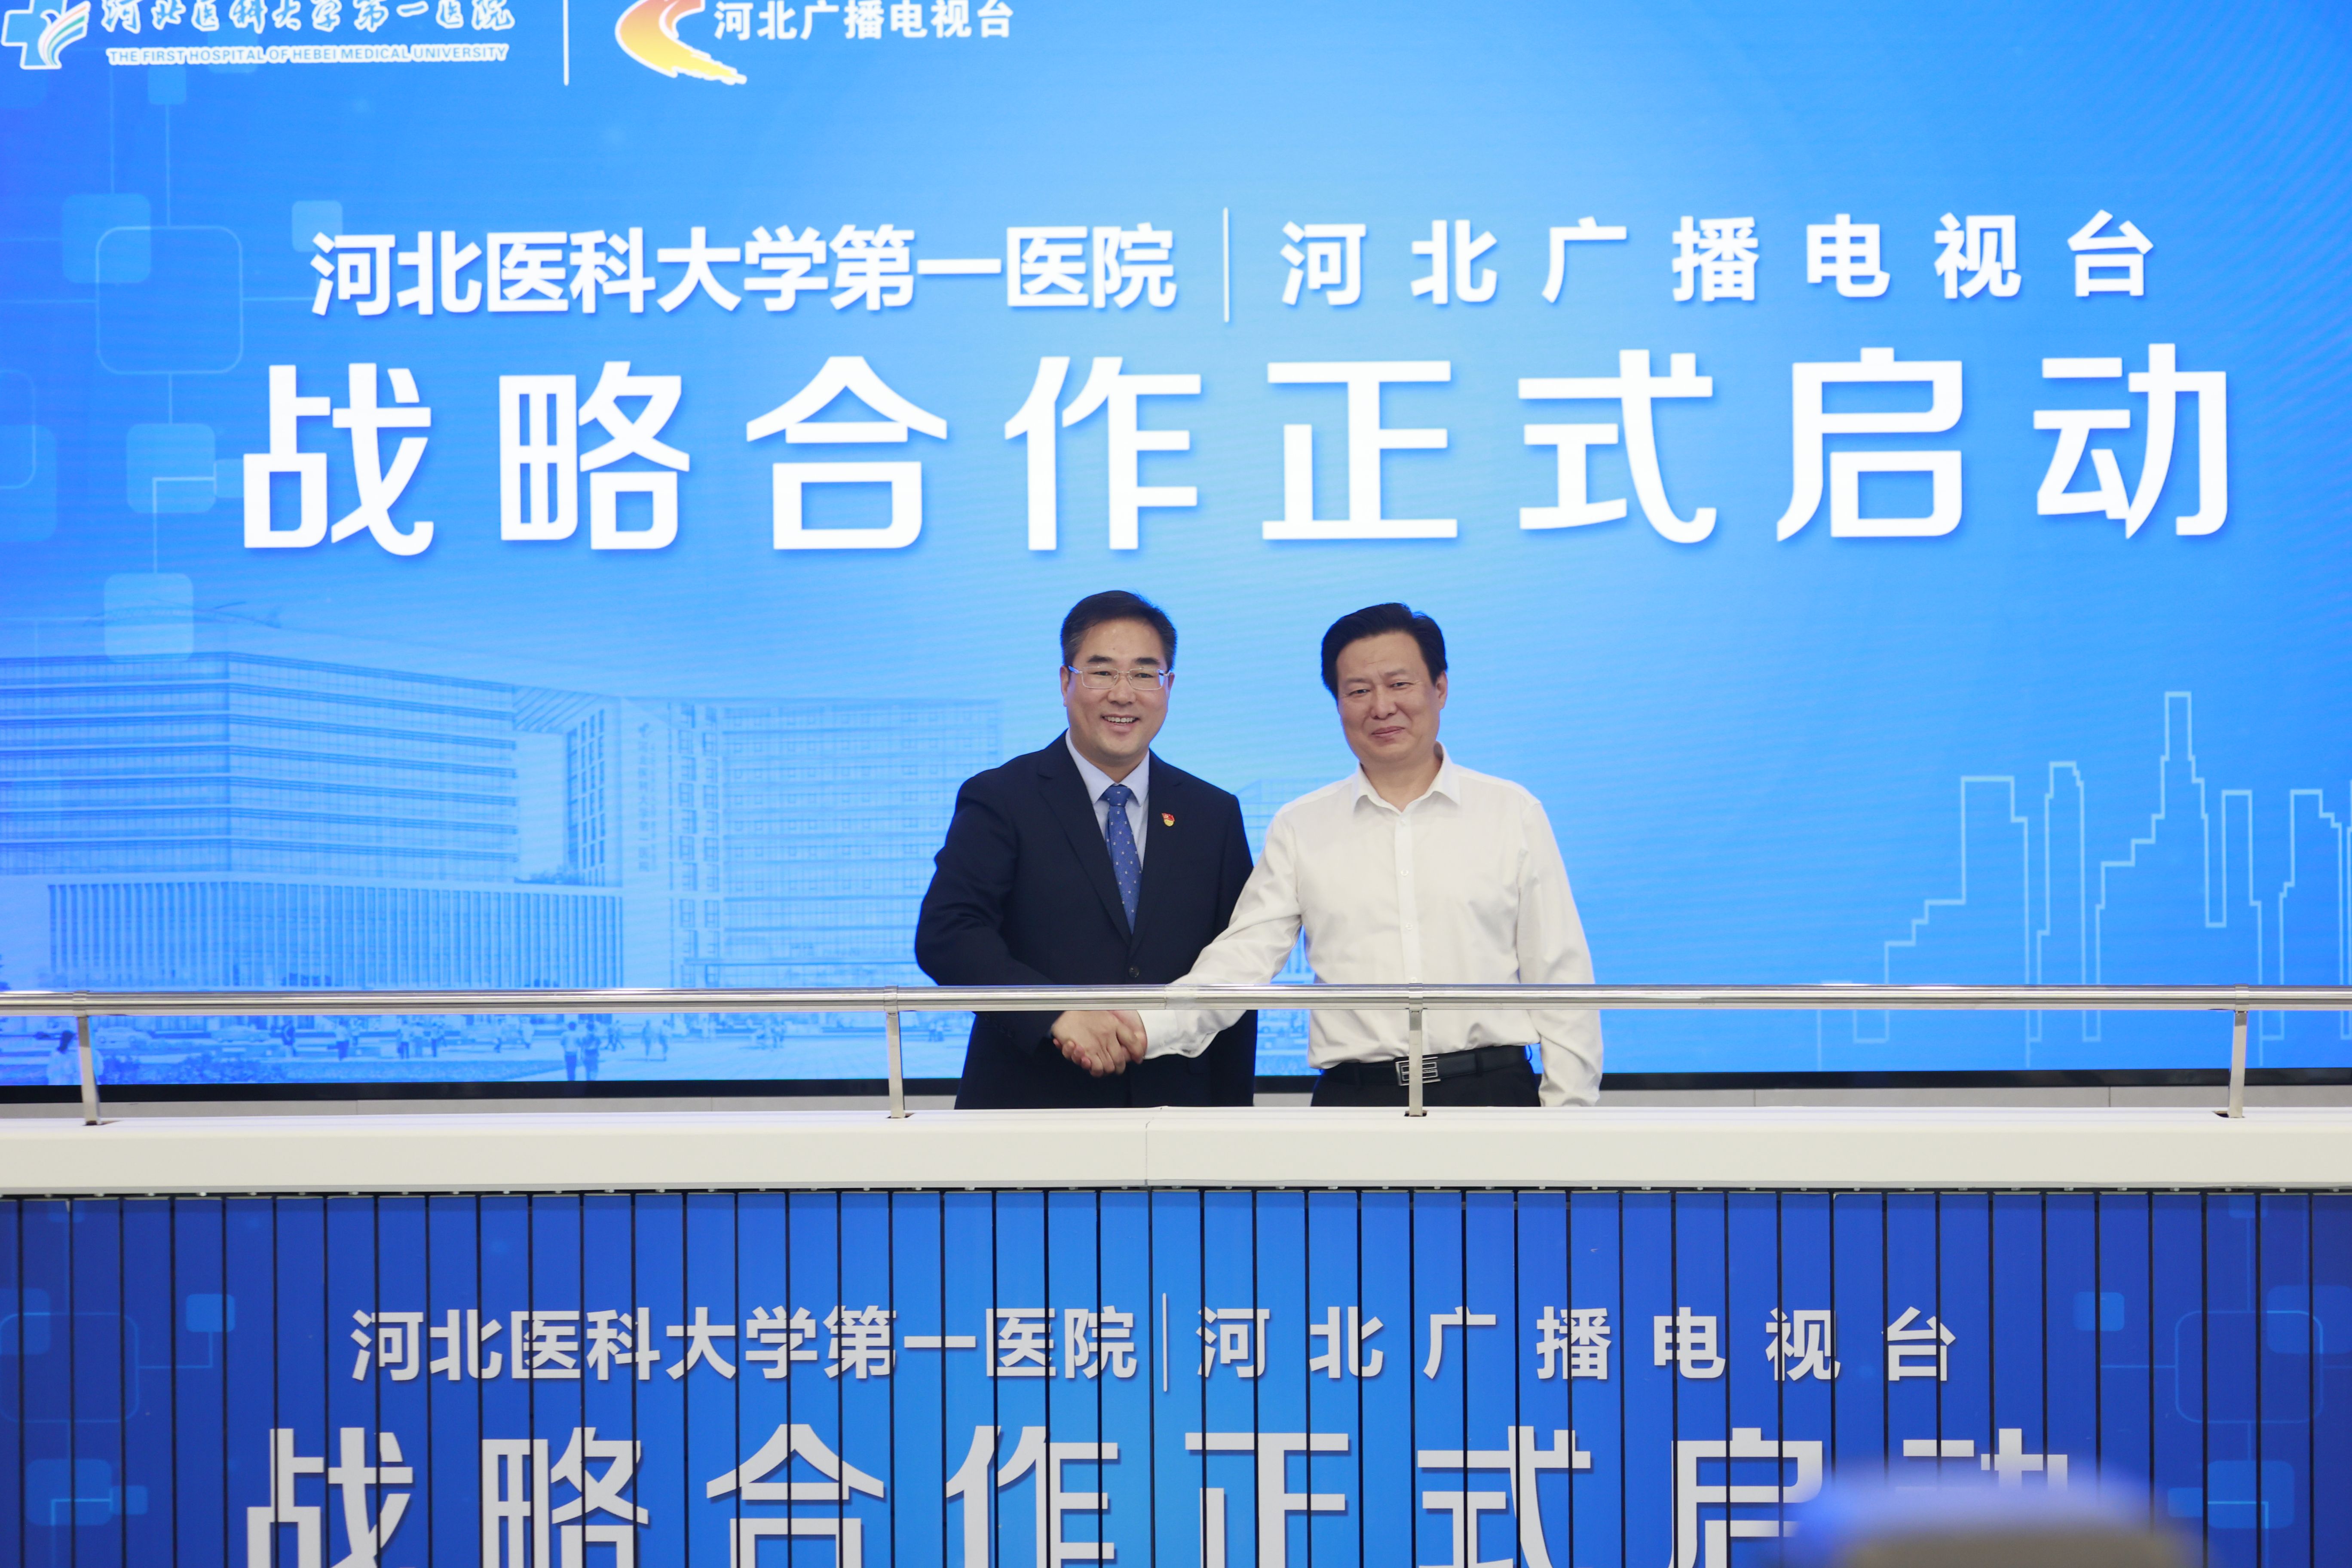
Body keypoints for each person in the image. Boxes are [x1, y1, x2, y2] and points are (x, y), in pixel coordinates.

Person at [1063, 603, 1602, 1107]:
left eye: (1399, 684)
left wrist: (1569, 1118)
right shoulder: (1302, 825)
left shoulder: (1511, 812)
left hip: (1494, 1095)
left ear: (1440, 688)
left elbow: (1561, 974)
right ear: (1339, 703)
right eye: (1358, 690)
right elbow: (1242, 961)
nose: (1382, 707)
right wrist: (1144, 1026)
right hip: (1355, 1102)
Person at [916, 590, 1259, 1108]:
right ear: (1065, 682)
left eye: (1144, 674)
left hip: (1179, 1108)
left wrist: (1234, 1117)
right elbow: (949, 934)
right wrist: (1056, 1012)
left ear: (1168, 687)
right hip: (1030, 1108)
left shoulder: (1213, 813)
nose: (1123, 694)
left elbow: (1234, 968)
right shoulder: (1002, 797)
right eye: (1102, 672)